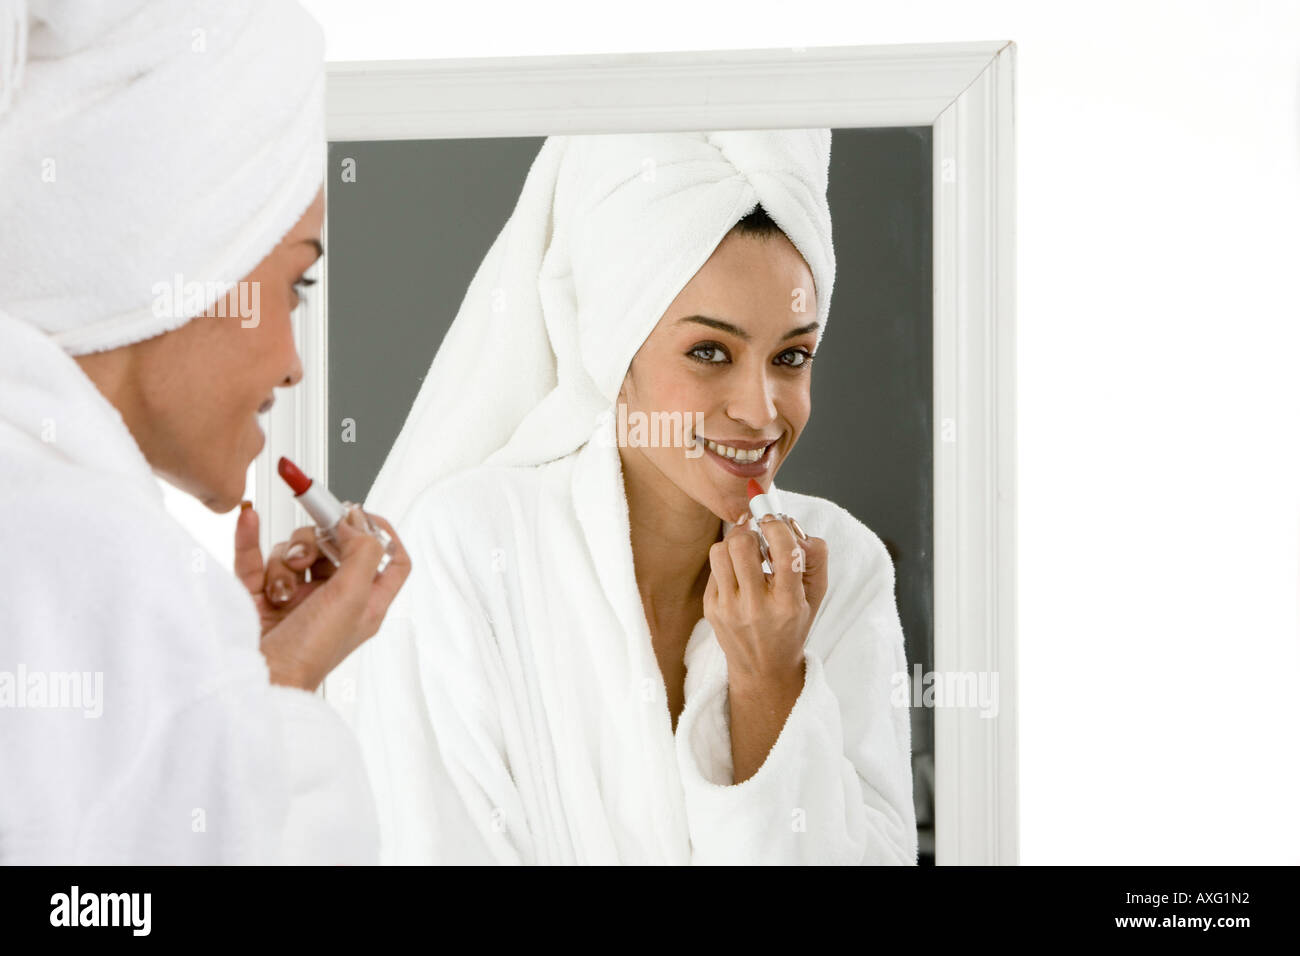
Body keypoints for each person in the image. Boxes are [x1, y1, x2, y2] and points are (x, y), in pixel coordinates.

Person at [353, 130, 918, 864]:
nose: (761, 408)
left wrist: (769, 686)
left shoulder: (842, 567)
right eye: (709, 352)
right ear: (613, 351)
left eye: (792, 356)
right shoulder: (470, 549)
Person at [0, 0, 409, 864]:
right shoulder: (89, 560)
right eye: (296, 283)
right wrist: (274, 696)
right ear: (184, 258)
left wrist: (234, 687)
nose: (296, 364)